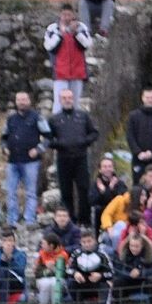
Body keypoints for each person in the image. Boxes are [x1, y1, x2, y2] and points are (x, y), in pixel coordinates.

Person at [49, 88, 99, 228]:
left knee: (84, 189)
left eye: (70, 97)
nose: (67, 100)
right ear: (59, 100)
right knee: (66, 191)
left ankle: (85, 220)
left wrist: (84, 141)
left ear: (74, 99)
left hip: (80, 158)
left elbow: (94, 133)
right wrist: (59, 144)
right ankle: (69, 221)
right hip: (63, 158)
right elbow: (48, 139)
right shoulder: (54, 119)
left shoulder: (83, 116)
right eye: (64, 98)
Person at [1, 92, 49, 228]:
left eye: (24, 99)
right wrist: (4, 148)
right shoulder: (10, 119)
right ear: (16, 102)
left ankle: (30, 220)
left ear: (29, 101)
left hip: (31, 161)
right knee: (10, 192)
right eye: (19, 100)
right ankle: (12, 220)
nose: (21, 102)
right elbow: (3, 137)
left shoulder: (37, 117)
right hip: (12, 161)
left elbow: (48, 136)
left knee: (31, 192)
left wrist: (38, 149)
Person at [43, 3, 93, 114]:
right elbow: (48, 46)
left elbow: (87, 44)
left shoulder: (81, 27)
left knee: (74, 103)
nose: (66, 17)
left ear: (73, 15)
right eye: (64, 15)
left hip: (77, 71)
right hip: (60, 71)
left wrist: (76, 34)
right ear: (60, 15)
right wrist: (61, 33)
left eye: (69, 15)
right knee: (59, 103)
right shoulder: (53, 28)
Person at [66, 229, 112, 304]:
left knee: (105, 285)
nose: (87, 244)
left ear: (94, 241)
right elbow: (68, 269)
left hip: (97, 284)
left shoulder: (102, 254)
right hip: (82, 283)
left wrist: (100, 275)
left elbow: (111, 273)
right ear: (80, 242)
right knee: (71, 284)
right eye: (84, 242)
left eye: (89, 241)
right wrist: (75, 273)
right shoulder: (76, 253)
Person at [112, 233, 152, 304]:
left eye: (137, 246)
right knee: (117, 282)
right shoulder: (123, 253)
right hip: (128, 281)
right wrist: (129, 274)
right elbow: (117, 270)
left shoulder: (150, 254)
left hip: (144, 282)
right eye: (132, 246)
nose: (133, 249)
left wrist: (141, 272)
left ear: (142, 245)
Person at [32, 232, 69, 304]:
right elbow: (37, 273)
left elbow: (65, 273)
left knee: (54, 283)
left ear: (51, 245)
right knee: (45, 284)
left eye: (44, 243)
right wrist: (47, 271)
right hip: (42, 280)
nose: (42, 245)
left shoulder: (63, 255)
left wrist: (54, 269)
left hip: (58, 280)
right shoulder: (41, 255)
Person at [88, 156, 127, 230]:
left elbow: (122, 198)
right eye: (105, 167)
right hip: (101, 212)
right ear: (100, 169)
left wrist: (105, 191)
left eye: (109, 166)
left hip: (117, 212)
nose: (107, 169)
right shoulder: (95, 184)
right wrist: (109, 190)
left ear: (113, 168)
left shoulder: (120, 183)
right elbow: (92, 201)